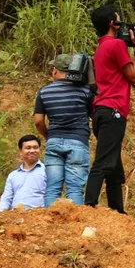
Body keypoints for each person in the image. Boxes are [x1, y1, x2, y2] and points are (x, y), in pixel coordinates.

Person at [84, 5, 135, 213]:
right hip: (114, 110)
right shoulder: (116, 45)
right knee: (103, 162)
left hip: (103, 110)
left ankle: (117, 211)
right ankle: (89, 206)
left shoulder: (101, 47)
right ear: (114, 23)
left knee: (114, 167)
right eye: (120, 19)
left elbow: (134, 73)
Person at [34, 53, 94, 206]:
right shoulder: (85, 91)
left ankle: (50, 226)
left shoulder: (44, 92)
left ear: (55, 70)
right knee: (75, 189)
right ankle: (74, 227)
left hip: (54, 141)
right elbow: (92, 113)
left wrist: (48, 136)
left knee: (52, 188)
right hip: (78, 142)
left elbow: (38, 121)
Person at [0, 135, 47, 212]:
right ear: (20, 151)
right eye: (28, 148)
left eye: (35, 147)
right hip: (16, 218)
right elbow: (6, 198)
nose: (32, 151)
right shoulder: (13, 176)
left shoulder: (47, 171)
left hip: (39, 217)